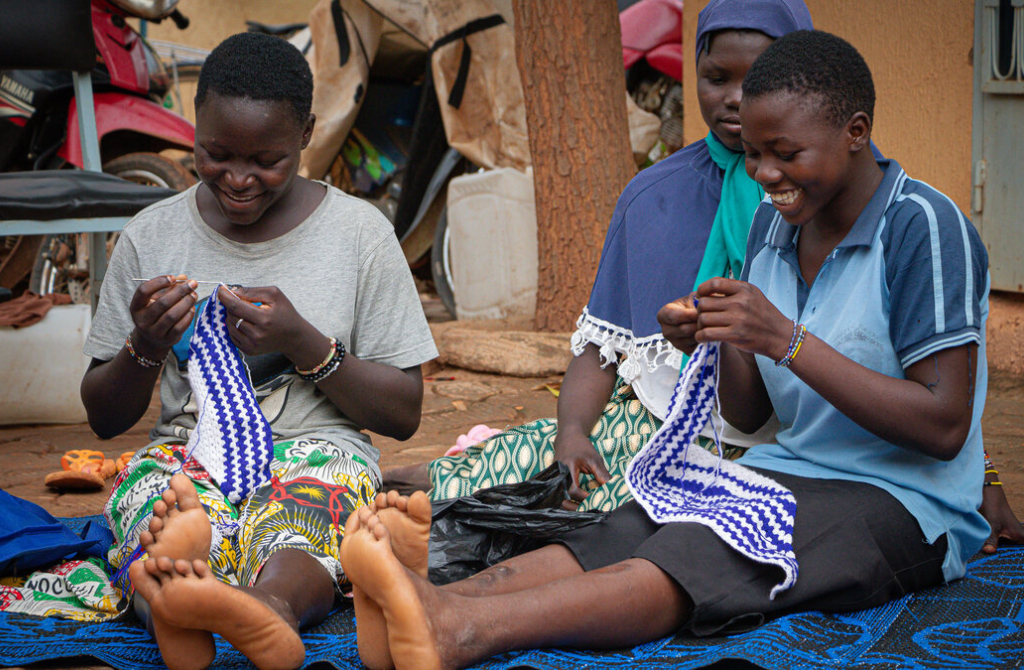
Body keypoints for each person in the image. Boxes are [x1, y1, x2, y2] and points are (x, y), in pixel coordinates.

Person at [340, 30, 993, 669]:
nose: (765, 175)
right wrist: (726, 337)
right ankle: (428, 602)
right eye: (757, 156)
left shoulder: (923, 229)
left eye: (786, 154)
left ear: (855, 132)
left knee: (706, 553)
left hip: (908, 502)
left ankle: (460, 630)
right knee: (634, 522)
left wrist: (783, 339)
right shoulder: (777, 223)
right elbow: (748, 414)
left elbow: (941, 426)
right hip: (793, 465)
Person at [79, 32, 437, 670]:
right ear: (195, 127)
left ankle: (265, 608)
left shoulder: (360, 236)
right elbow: (104, 418)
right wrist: (145, 344)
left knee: (311, 506)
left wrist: (305, 343)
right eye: (215, 154)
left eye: (266, 161)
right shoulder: (151, 234)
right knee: (154, 506)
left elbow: (403, 413)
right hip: (189, 452)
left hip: (317, 445)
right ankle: (179, 602)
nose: (237, 179)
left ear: (306, 134)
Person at [388, 0, 814, 511]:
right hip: (658, 417)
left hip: (784, 445)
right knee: (501, 471)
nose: (734, 99)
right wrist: (572, 435)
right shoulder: (654, 194)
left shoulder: (818, 198)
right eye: (715, 77)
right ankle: (377, 499)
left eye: (758, 80)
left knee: (599, 519)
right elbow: (599, 350)